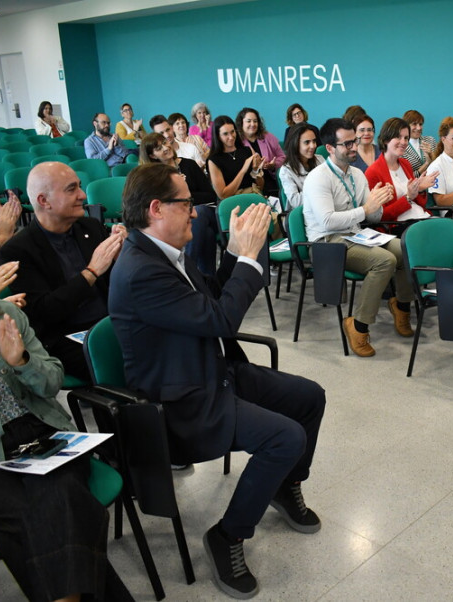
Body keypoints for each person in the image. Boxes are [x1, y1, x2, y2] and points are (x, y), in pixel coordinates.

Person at [108, 163, 326, 598]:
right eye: (186, 203)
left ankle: (285, 485)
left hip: (210, 371)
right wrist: (246, 257)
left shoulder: (164, 251)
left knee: (308, 397)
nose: (194, 212)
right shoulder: (141, 271)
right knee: (284, 438)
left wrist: (235, 256)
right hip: (181, 402)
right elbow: (223, 318)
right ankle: (227, 535)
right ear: (155, 209)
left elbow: (211, 300)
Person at [0, 243, 133, 602]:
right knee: (61, 502)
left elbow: (53, 381)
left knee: (53, 500)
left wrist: (22, 360)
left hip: (41, 433)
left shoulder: (4, 317)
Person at [0, 162, 124, 379]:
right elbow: (46, 312)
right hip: (64, 337)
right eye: (71, 189)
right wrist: (92, 271)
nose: (83, 195)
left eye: (80, 187)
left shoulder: (90, 227)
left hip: (111, 320)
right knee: (131, 359)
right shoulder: (19, 249)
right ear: (43, 201)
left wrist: (122, 258)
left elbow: (116, 285)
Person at [302, 118, 415, 357]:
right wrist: (365, 209)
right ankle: (358, 325)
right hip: (327, 242)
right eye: (347, 144)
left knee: (407, 248)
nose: (355, 147)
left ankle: (402, 306)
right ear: (330, 148)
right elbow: (327, 221)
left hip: (357, 234)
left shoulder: (356, 174)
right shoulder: (318, 177)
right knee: (385, 261)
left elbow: (373, 218)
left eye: (354, 141)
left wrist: (378, 204)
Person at [140, 133, 220, 275]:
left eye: (165, 142)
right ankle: (208, 284)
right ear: (152, 156)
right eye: (159, 148)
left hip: (204, 212)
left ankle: (185, 269)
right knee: (207, 234)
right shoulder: (154, 177)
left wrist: (185, 192)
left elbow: (210, 195)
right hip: (175, 219)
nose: (165, 147)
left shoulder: (189, 164)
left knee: (199, 213)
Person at [364, 117, 437, 226]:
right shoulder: (373, 172)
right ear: (385, 139)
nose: (403, 142)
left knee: (450, 228)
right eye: (398, 137)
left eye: (406, 138)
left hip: (421, 218)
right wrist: (408, 197)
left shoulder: (405, 164)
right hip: (400, 226)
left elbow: (419, 203)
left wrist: (419, 189)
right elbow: (381, 216)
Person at [207, 115, 266, 199]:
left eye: (232, 132)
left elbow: (261, 187)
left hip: (254, 195)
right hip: (233, 201)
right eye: (225, 134)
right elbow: (223, 195)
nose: (231, 137)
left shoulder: (247, 150)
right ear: (218, 136)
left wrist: (256, 171)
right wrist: (243, 170)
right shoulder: (214, 160)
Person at [236, 108, 285, 197]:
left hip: (271, 181)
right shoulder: (236, 142)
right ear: (241, 123)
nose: (252, 124)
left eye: (255, 121)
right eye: (249, 121)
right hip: (250, 184)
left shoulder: (268, 137)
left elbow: (283, 157)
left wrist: (273, 165)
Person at [279, 123, 325, 210]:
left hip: (323, 208)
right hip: (303, 214)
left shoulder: (320, 160)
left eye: (314, 141)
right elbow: (296, 201)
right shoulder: (286, 170)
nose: (313, 146)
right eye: (307, 142)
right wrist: (321, 191)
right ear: (295, 144)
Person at [402, 110, 435, 178]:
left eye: (420, 124)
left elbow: (440, 165)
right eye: (414, 124)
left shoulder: (430, 140)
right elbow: (407, 178)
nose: (419, 128)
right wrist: (426, 164)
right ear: (406, 126)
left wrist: (432, 155)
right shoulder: (401, 147)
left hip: (434, 185)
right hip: (416, 187)